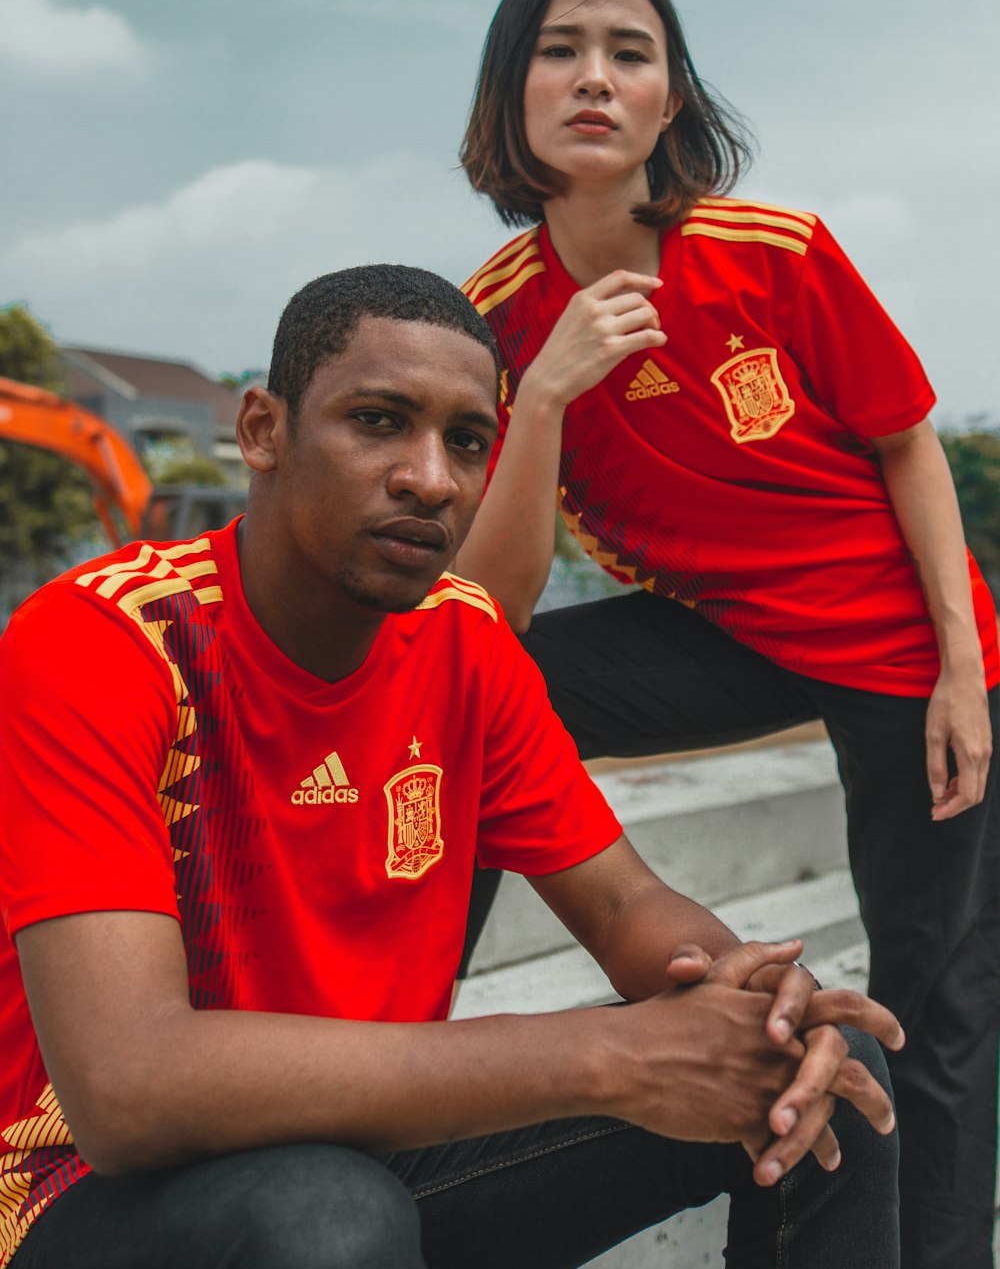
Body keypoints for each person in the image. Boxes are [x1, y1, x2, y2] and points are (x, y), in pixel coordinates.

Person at [0, 265, 902, 1269]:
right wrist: (599, 1056)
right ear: (262, 431)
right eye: (379, 421)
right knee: (326, 1214)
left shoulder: (464, 644)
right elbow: (130, 1089)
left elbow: (620, 908)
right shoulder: (105, 644)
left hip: (369, 1144)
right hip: (82, 1192)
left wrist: (764, 1008)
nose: (430, 477)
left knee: (821, 1076)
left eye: (466, 441)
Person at [456, 0, 1000, 1269]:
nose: (593, 75)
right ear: (509, 91)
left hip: (898, 647)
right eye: (559, 47)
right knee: (471, 681)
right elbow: (491, 599)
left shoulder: (776, 251)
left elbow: (907, 443)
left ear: (669, 100)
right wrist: (542, 396)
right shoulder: (493, 316)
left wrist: (963, 671)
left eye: (629, 50)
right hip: (724, 634)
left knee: (938, 995)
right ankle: (386, 1013)